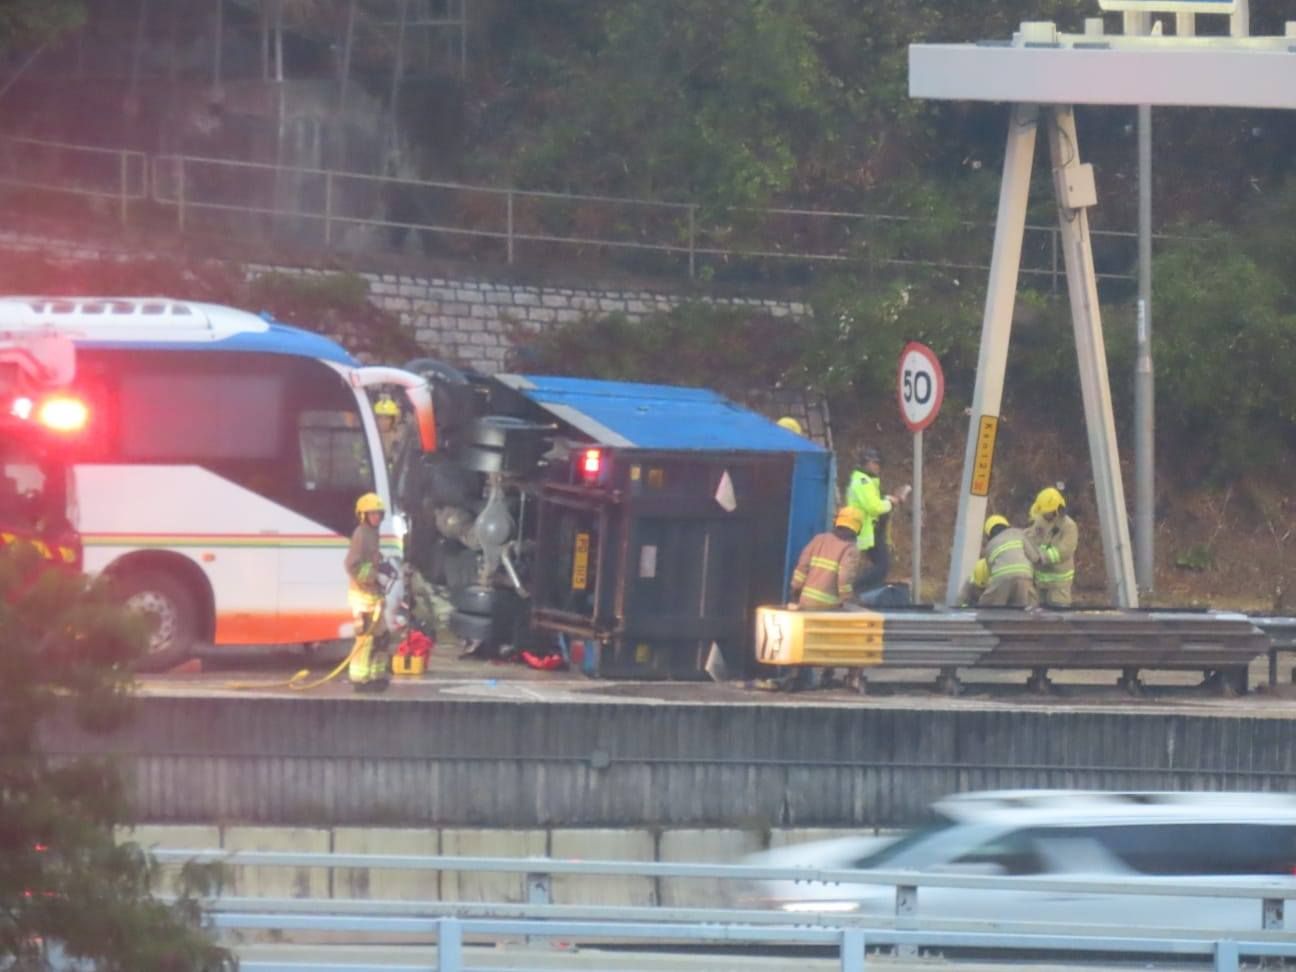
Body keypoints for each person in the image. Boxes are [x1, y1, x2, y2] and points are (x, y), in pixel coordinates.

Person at [345, 492, 392, 692]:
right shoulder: (361, 534)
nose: (376, 517)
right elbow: (352, 566)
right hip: (362, 597)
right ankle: (359, 679)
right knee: (365, 638)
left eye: (378, 514)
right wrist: (374, 574)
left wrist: (383, 564)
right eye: (372, 514)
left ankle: (376, 676)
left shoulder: (372, 533)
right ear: (363, 515)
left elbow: (371, 559)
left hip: (373, 596)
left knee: (382, 637)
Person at [846, 446, 907, 593]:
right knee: (882, 566)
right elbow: (873, 507)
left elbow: (874, 501)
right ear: (867, 463)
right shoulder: (863, 481)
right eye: (876, 463)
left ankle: (864, 591)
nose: (878, 467)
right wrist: (891, 503)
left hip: (871, 530)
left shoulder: (867, 480)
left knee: (880, 566)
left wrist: (887, 499)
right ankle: (855, 589)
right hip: (866, 531)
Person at [789, 506, 863, 610]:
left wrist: (796, 589)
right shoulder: (850, 549)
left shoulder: (819, 539)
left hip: (805, 602)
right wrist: (847, 598)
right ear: (858, 529)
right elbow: (844, 577)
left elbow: (802, 566)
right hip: (828, 608)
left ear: (837, 522)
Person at [1026, 486, 1078, 607]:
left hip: (1059, 583)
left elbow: (1064, 551)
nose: (1043, 515)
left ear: (1056, 510)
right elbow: (1032, 538)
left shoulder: (1068, 526)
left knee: (1059, 617)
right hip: (1040, 582)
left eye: (1046, 512)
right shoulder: (1040, 520)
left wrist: (1041, 557)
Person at [978, 514, 1041, 608]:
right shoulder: (1019, 533)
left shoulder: (989, 546)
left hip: (1001, 578)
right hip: (1024, 576)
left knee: (987, 607)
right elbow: (1035, 557)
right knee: (1027, 607)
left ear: (989, 534)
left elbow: (991, 572)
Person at [373, 394, 402, 466]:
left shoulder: (397, 438)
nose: (383, 422)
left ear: (393, 420)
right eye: (380, 418)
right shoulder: (370, 436)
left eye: (387, 418)